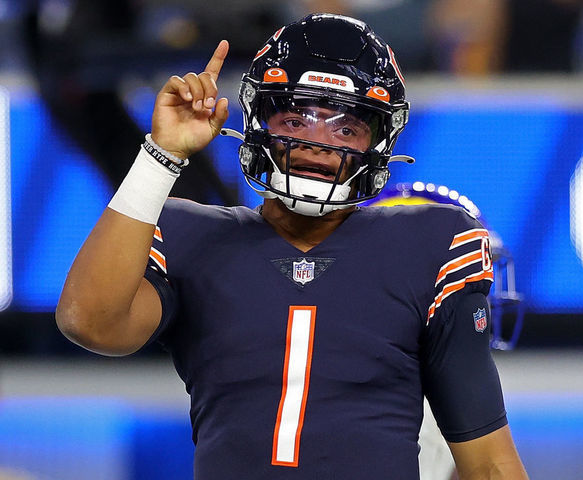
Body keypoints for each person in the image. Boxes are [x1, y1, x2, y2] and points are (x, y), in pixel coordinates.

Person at [56, 13, 528, 479]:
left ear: (380, 142)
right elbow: (90, 322)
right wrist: (161, 156)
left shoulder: (430, 242)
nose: (318, 143)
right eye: (296, 118)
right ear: (258, 119)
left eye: (346, 128)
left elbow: (488, 465)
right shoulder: (191, 232)